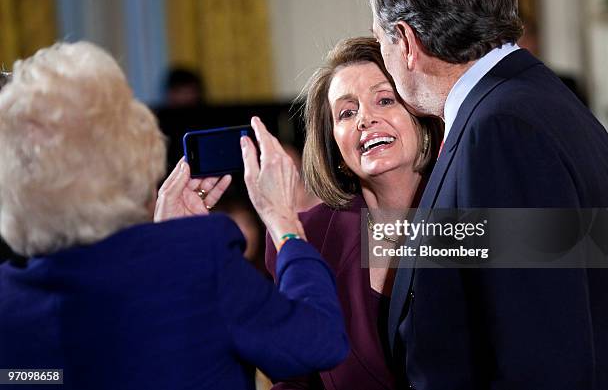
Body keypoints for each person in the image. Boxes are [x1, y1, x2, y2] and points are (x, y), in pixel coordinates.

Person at [0, 42, 348, 390]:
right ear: (129, 149)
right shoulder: (198, 260)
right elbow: (319, 341)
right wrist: (284, 223)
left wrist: (162, 240)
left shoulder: (9, 298)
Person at [362, 0, 608, 389]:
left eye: (381, 41)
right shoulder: (526, 100)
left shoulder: (502, 129)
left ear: (406, 41)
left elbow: (541, 354)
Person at [265, 37, 442, 390]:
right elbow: (294, 380)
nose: (365, 119)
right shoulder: (306, 238)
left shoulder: (474, 213)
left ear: (421, 117)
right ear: (333, 143)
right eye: (347, 112)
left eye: (385, 99)